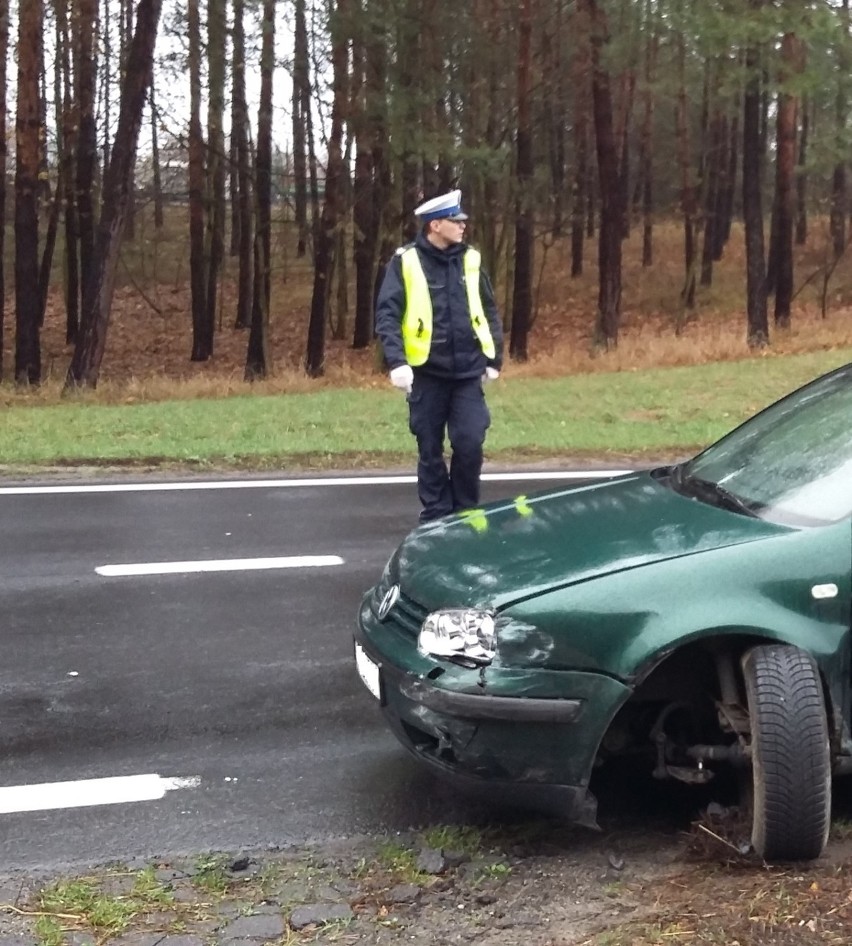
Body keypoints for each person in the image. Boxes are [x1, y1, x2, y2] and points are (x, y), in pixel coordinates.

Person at [375, 189, 504, 523]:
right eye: (455, 221)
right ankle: (436, 515)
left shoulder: (471, 259)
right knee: (429, 447)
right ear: (435, 225)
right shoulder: (406, 261)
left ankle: (465, 510)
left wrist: (494, 358)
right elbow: (387, 314)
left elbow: (487, 310)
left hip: (466, 373)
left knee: (470, 440)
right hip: (425, 373)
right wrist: (397, 361)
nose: (463, 226)